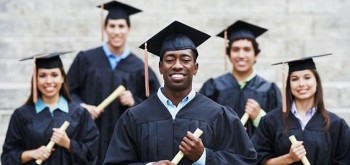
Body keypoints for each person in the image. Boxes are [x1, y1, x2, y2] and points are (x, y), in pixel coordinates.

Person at [103, 21, 257, 165]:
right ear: (160, 67)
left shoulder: (218, 115)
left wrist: (204, 157)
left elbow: (247, 161)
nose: (177, 65)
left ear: (195, 68)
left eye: (185, 59)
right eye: (170, 60)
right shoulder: (135, 117)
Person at [67, 1, 160, 164]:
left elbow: (155, 102)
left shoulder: (139, 67)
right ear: (105, 28)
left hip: (124, 142)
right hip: (89, 139)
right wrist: (82, 107)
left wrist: (134, 102)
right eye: (112, 26)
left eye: (121, 26)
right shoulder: (86, 59)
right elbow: (67, 92)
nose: (117, 31)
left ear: (129, 29)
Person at [1, 51, 99, 165]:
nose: (49, 81)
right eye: (42, 76)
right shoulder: (22, 115)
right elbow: (7, 158)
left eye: (54, 75)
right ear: (35, 79)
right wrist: (32, 154)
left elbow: (92, 155)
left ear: (62, 78)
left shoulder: (80, 113)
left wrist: (68, 144)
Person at [251, 54, 350, 164]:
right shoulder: (271, 121)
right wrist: (289, 158)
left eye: (307, 78)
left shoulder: (336, 124)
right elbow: (257, 161)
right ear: (289, 84)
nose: (301, 84)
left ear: (317, 81)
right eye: (295, 79)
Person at [199, 20, 281, 137]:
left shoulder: (269, 90)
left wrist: (259, 117)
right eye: (236, 49)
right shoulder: (213, 87)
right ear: (228, 54)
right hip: (221, 153)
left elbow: (279, 131)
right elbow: (200, 123)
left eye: (247, 49)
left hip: (258, 154)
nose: (241, 55)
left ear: (256, 54)